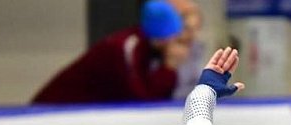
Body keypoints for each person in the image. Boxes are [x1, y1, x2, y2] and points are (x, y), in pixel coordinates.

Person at [31, 0, 188, 104]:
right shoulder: (125, 48)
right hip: (55, 107)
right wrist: (168, 69)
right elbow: (141, 100)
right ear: (162, 38)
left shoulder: (146, 50)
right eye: (174, 39)